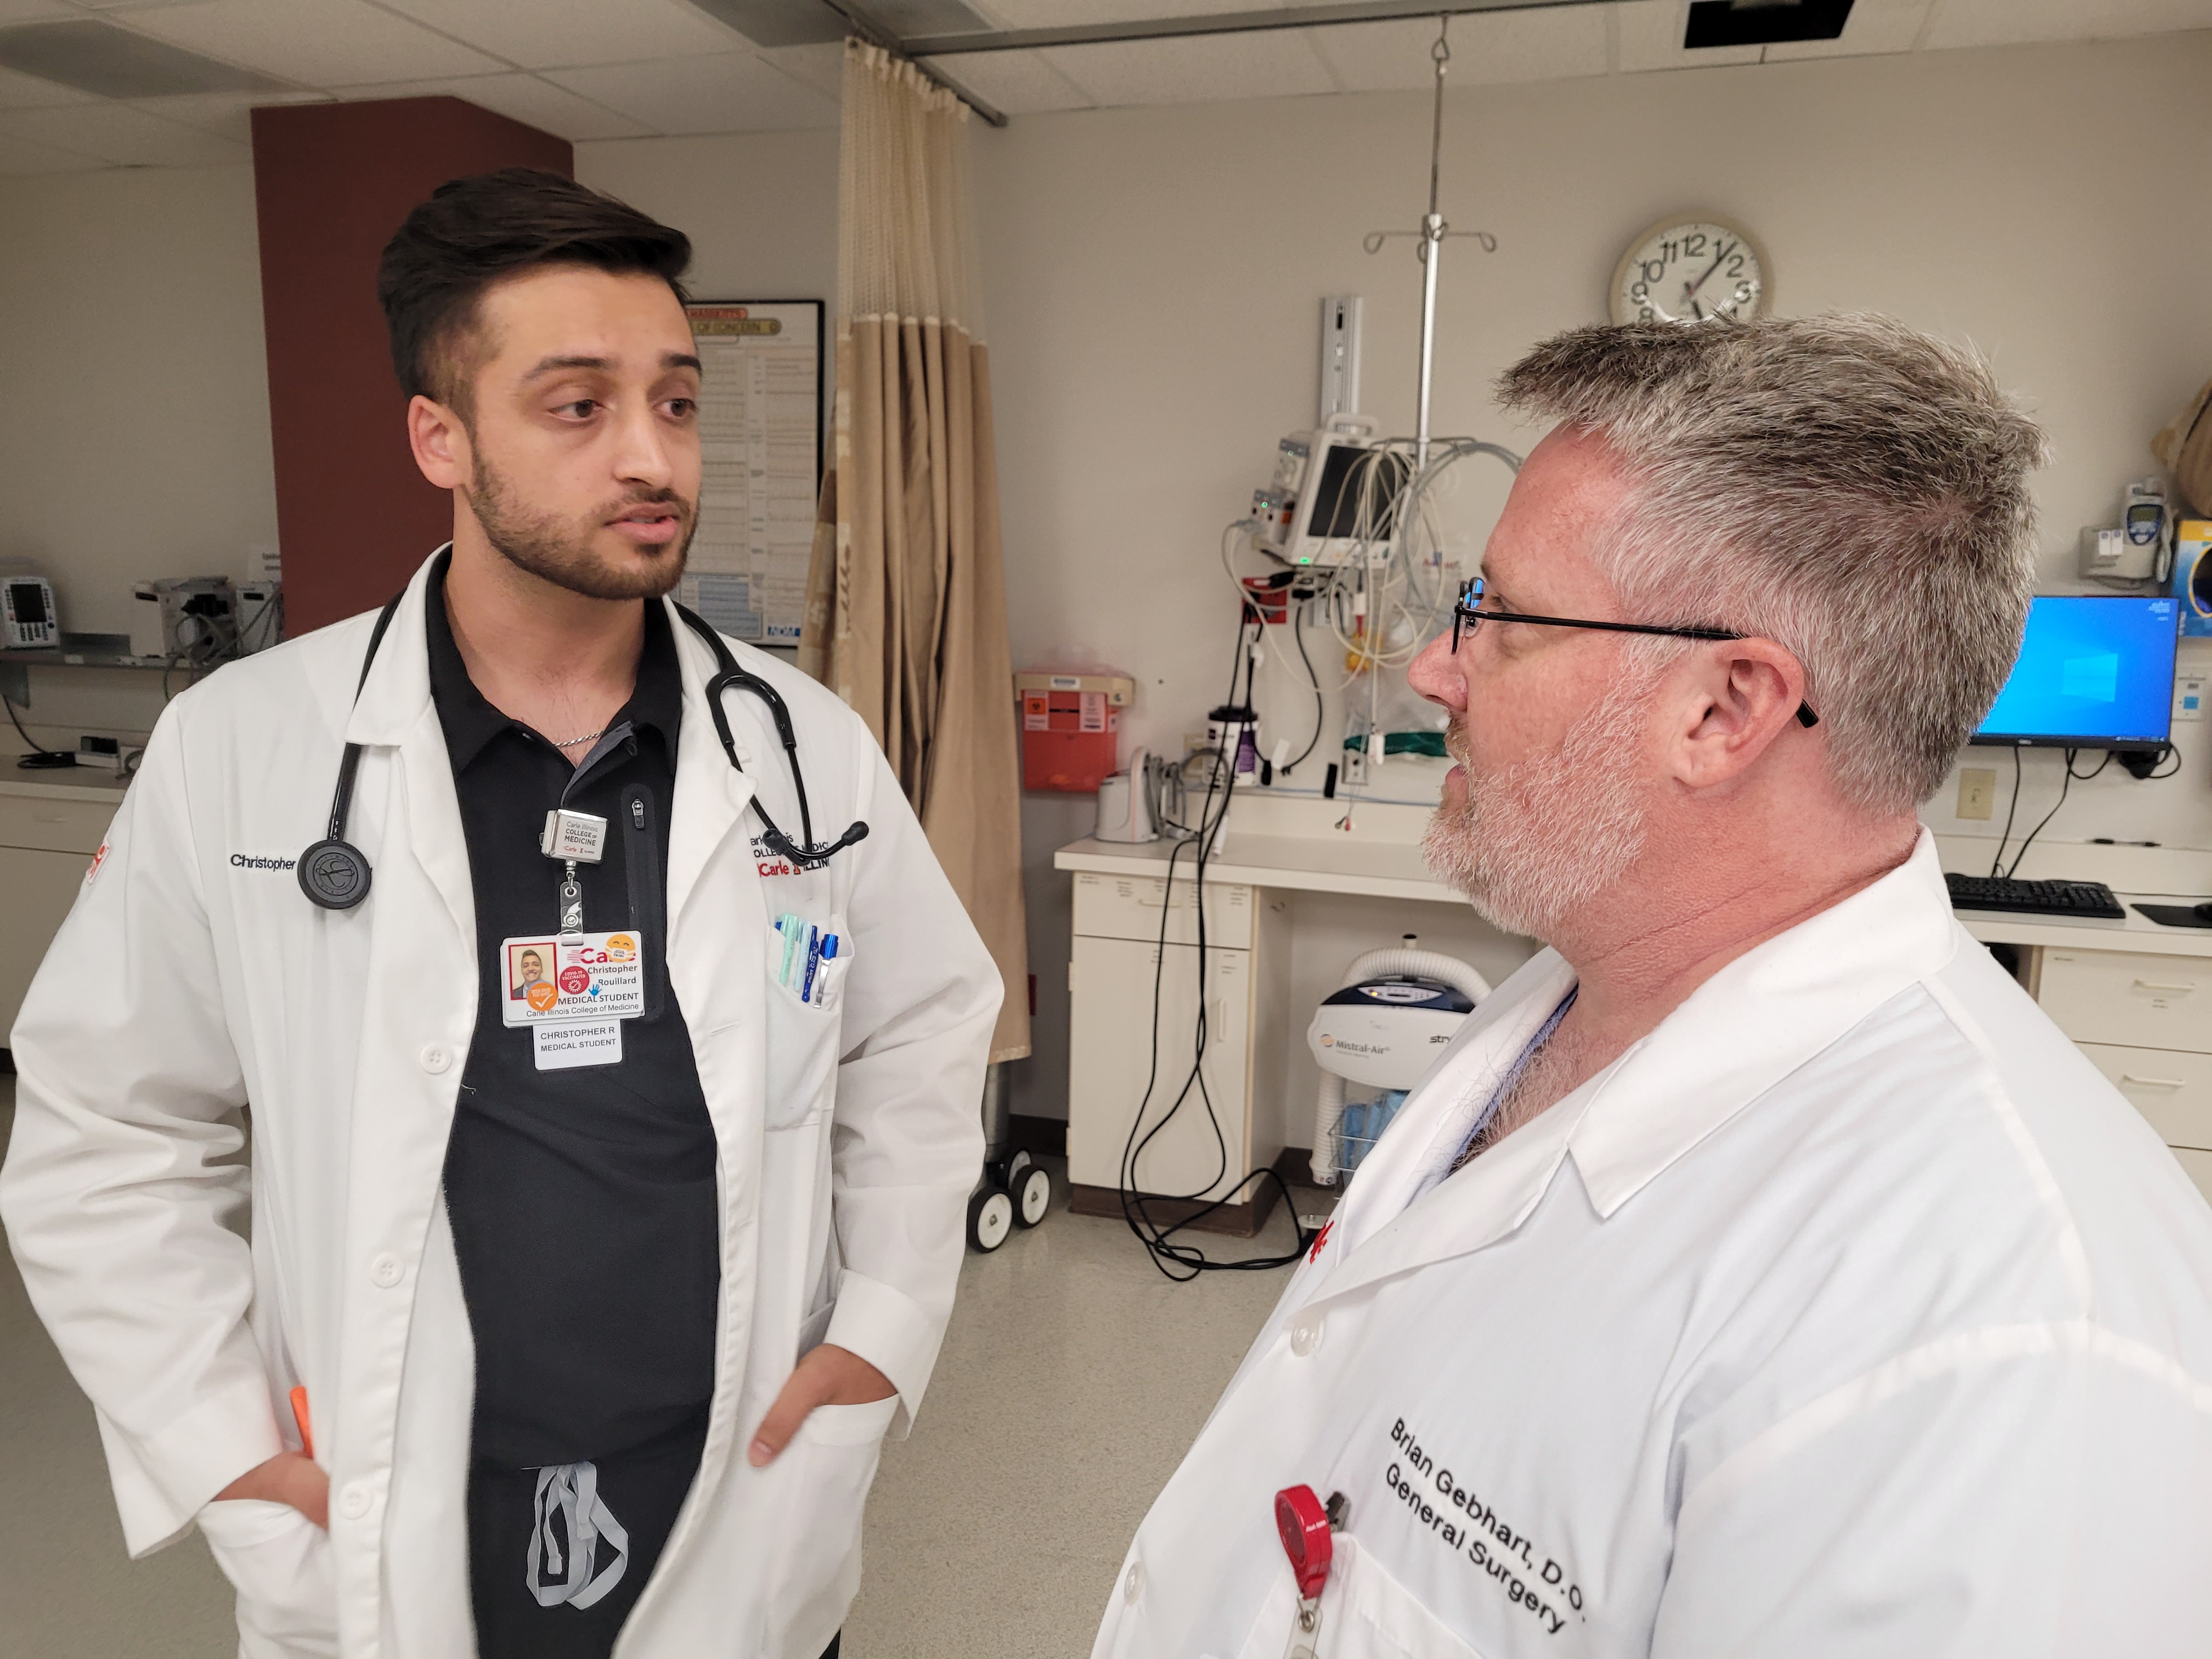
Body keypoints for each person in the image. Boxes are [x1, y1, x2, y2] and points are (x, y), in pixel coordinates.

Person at [1094, 315, 2212, 1657]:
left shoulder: (1996, 1337)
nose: (1432, 669)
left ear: (1727, 710)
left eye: (1495, 616)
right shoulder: (1592, 984)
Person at [1, 168, 999, 1659]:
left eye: (676, 401)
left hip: (737, 1496)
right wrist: (225, 1453)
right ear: (439, 436)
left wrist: (883, 1331)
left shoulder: (801, 746)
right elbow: (108, 1130)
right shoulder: (247, 750)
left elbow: (920, 1039)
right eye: (579, 406)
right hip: (392, 1510)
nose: (653, 456)